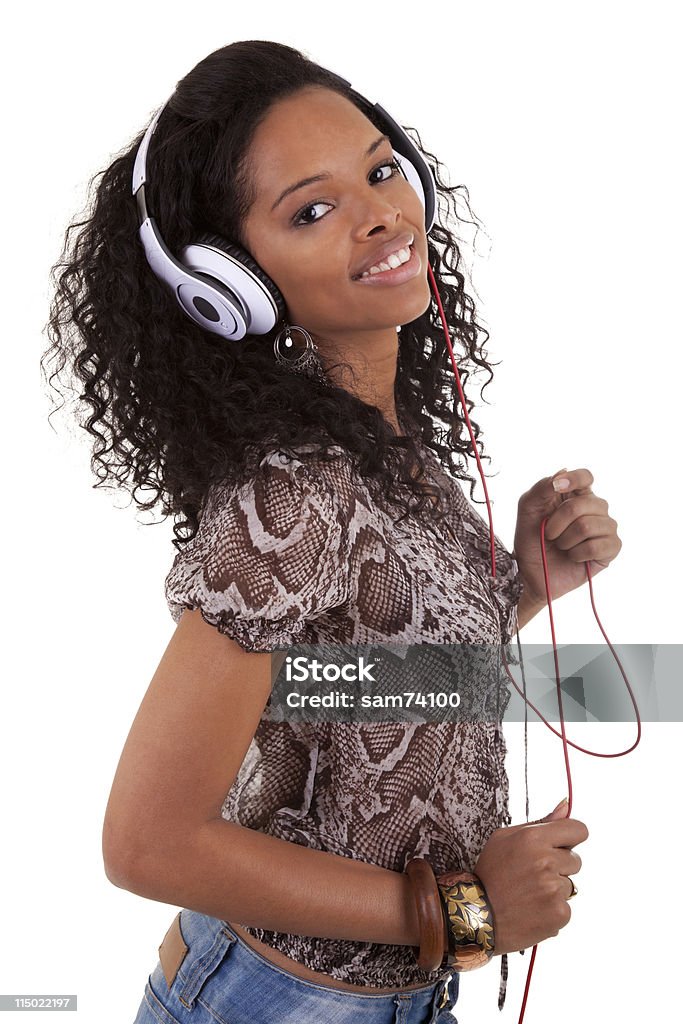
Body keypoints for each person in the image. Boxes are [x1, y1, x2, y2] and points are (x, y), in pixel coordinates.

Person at [43, 39, 620, 1024]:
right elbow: (146, 840)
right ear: (229, 289)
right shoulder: (289, 497)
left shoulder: (384, 449)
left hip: (398, 994)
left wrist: (522, 585)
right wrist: (467, 909)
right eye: (311, 209)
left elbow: (355, 683)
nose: (381, 214)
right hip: (280, 1002)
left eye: (380, 170)